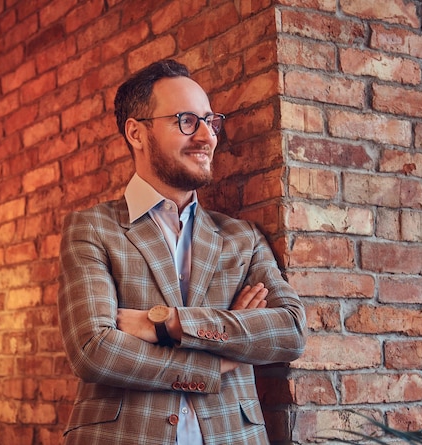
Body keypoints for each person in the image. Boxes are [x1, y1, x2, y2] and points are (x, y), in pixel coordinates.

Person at [57, 59, 306, 445]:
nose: (207, 136)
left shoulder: (242, 237)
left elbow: (290, 331)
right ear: (137, 133)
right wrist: (223, 357)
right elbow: (94, 350)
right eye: (187, 120)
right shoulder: (92, 228)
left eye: (211, 121)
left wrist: (170, 323)